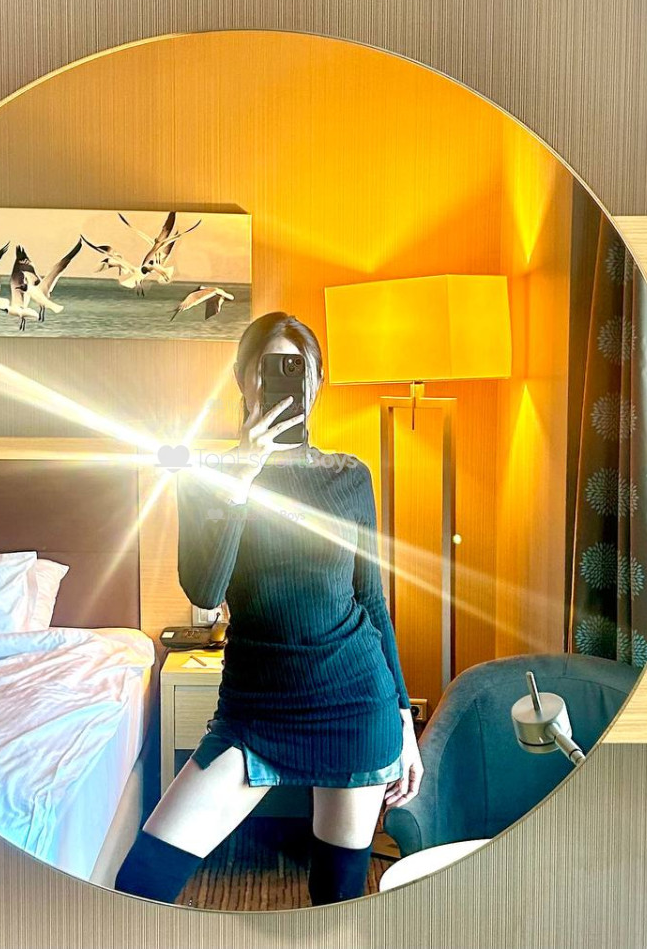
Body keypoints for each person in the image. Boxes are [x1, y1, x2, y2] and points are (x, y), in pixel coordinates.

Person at [115, 312, 423, 907]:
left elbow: (371, 600)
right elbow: (206, 591)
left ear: (316, 384)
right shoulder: (205, 477)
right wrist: (241, 479)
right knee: (141, 884)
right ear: (243, 379)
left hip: (355, 702)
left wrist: (405, 724)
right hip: (254, 710)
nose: (283, 384)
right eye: (269, 370)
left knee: (334, 899)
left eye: (298, 372)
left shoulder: (349, 477)